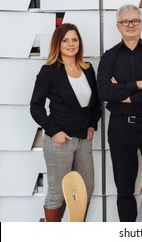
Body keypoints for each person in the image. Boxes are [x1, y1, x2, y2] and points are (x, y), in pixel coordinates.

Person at [97, 4, 142, 222]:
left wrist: (125, 93)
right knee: (124, 188)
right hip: (120, 127)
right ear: (118, 26)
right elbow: (104, 91)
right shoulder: (109, 57)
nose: (130, 25)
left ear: (141, 24)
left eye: (134, 21)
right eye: (125, 22)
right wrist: (138, 84)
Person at [30, 23, 101, 222]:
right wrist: (54, 132)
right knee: (57, 192)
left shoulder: (87, 69)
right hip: (60, 141)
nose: (71, 44)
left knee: (87, 188)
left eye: (75, 39)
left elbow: (95, 103)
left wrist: (92, 125)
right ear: (58, 44)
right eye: (66, 40)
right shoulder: (49, 71)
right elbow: (35, 106)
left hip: (84, 140)